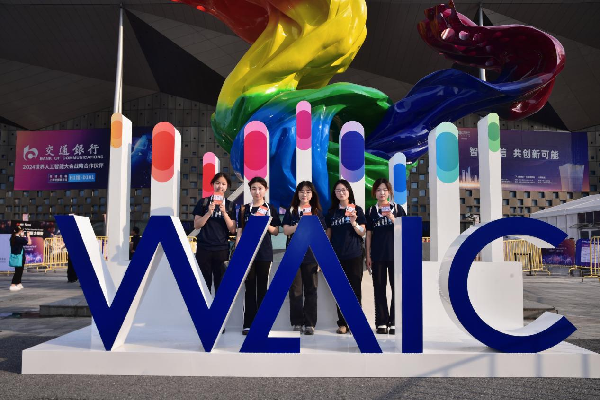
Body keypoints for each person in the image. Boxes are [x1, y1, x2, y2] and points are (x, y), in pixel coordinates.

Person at [236, 177, 280, 335]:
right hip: (247, 253)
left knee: (262, 288)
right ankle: (248, 324)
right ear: (250, 190)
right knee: (249, 288)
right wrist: (238, 252)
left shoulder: (270, 208)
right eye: (253, 188)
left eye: (260, 188)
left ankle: (261, 324)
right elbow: (239, 233)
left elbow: (276, 231)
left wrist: (265, 222)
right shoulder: (244, 209)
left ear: (265, 190)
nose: (257, 191)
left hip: (264, 253)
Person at [282, 181, 326, 335]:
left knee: (311, 290)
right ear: (297, 194)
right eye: (301, 191)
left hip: (311, 256)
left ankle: (310, 324)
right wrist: (299, 225)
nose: (304, 194)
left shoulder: (316, 212)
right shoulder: (292, 211)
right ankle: (297, 322)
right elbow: (286, 230)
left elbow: (322, 235)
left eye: (308, 191)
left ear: (312, 195)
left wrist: (321, 258)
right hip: (294, 255)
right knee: (295, 291)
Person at [365, 178, 406, 334]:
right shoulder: (371, 211)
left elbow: (405, 230)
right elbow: (369, 234)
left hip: (395, 255)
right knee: (379, 288)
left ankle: (394, 322)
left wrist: (392, 218)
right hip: (377, 255)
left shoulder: (398, 209)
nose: (382, 193)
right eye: (378, 190)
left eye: (384, 190)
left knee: (397, 288)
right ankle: (381, 322)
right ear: (374, 193)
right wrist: (368, 255)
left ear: (389, 192)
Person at [325, 179, 366, 334]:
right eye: (338, 190)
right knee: (340, 290)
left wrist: (354, 222)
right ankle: (342, 323)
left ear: (349, 191)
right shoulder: (331, 213)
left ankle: (356, 323)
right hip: (336, 256)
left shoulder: (357, 210)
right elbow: (328, 236)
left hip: (354, 255)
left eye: (344, 189)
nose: (341, 192)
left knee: (355, 290)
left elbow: (362, 233)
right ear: (334, 194)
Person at [192, 172, 237, 294]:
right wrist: (208, 213)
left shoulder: (230, 205)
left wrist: (224, 213)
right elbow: (196, 225)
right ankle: (203, 306)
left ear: (227, 187)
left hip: (221, 249)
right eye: (217, 183)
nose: (220, 186)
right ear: (212, 184)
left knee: (221, 283)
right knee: (203, 283)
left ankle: (218, 306)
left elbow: (233, 229)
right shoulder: (204, 202)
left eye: (223, 184)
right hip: (204, 248)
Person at [9, 226, 30, 291]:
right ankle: (12, 284)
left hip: (15, 256)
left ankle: (18, 283)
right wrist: (28, 236)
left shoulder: (12, 238)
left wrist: (22, 236)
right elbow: (29, 243)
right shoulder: (19, 239)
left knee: (18, 270)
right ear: (20, 232)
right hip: (19, 257)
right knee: (18, 271)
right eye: (22, 231)